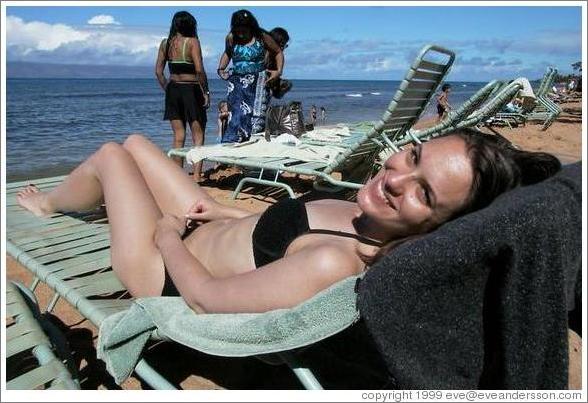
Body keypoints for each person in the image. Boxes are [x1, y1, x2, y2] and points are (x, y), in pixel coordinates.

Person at [16, 130, 560, 314]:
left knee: (113, 154)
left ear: (443, 226)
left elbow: (204, 298)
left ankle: (51, 205)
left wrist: (163, 234)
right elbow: (287, 229)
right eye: (414, 156)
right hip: (203, 229)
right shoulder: (365, 214)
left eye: (423, 193)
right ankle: (83, 197)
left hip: (161, 271)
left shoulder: (335, 260)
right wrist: (229, 212)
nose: (396, 176)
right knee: (137, 144)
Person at [155, 11, 210, 182]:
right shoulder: (192, 42)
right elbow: (199, 70)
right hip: (191, 90)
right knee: (198, 135)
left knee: (178, 136)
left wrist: (168, 89)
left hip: (173, 90)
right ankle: (196, 176)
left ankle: (177, 175)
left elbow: (158, 71)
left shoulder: (166, 43)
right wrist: (206, 91)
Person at [217, 9, 284, 143]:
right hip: (236, 82)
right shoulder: (231, 38)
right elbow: (227, 53)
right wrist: (221, 68)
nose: (240, 34)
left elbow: (277, 52)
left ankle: (254, 145)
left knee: (256, 116)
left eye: (244, 30)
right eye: (238, 30)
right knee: (236, 115)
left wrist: (278, 71)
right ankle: (234, 145)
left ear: (251, 27)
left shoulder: (261, 36)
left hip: (258, 82)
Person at [266, 27, 292, 99]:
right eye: (284, 45)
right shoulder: (264, 53)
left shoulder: (276, 58)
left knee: (287, 84)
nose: (284, 49)